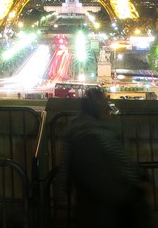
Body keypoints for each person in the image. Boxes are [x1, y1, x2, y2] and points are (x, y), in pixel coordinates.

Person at [63, 87, 151, 227]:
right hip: (102, 215)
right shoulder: (89, 139)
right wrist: (134, 192)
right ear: (95, 111)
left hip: (105, 212)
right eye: (104, 105)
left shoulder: (101, 133)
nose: (109, 109)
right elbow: (105, 184)